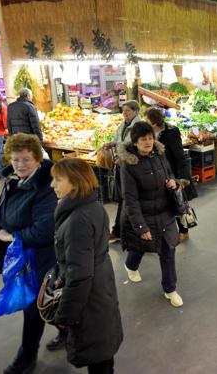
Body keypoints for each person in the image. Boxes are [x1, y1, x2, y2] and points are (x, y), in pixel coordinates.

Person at [0, 133, 58, 374]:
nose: (19, 165)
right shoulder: (13, 179)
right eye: (15, 160)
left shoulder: (45, 188)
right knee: (46, 302)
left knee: (33, 307)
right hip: (21, 256)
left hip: (40, 257)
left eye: (26, 160)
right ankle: (68, 331)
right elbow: (2, 208)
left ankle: (26, 357)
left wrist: (14, 236)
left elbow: (45, 230)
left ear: (37, 158)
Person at [50, 158, 123, 374]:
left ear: (75, 182)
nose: (52, 184)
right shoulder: (93, 206)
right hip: (101, 289)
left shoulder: (77, 221)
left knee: (97, 355)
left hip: (89, 298)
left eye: (57, 179)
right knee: (103, 349)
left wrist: (65, 316)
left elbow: (79, 275)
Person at [118, 121, 184, 308]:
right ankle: (130, 265)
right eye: (143, 140)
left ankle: (170, 289)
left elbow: (169, 174)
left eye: (150, 138)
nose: (148, 142)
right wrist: (141, 227)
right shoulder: (129, 166)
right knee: (140, 246)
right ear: (135, 142)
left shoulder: (160, 155)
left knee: (168, 250)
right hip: (143, 215)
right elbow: (130, 200)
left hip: (165, 212)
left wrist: (172, 181)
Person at [145, 107, 193, 241]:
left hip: (171, 173)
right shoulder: (148, 134)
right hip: (156, 173)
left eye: (146, 120)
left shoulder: (171, 132)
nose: (144, 122)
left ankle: (184, 230)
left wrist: (182, 179)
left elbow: (179, 156)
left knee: (177, 203)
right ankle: (163, 232)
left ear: (154, 123)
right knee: (162, 204)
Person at [102, 100, 141, 242]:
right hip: (123, 167)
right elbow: (118, 139)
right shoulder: (123, 125)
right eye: (123, 111)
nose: (125, 114)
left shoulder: (139, 127)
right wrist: (111, 144)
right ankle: (121, 231)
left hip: (133, 168)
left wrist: (123, 158)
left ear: (136, 112)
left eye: (128, 111)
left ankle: (121, 231)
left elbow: (135, 147)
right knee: (126, 199)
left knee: (128, 199)